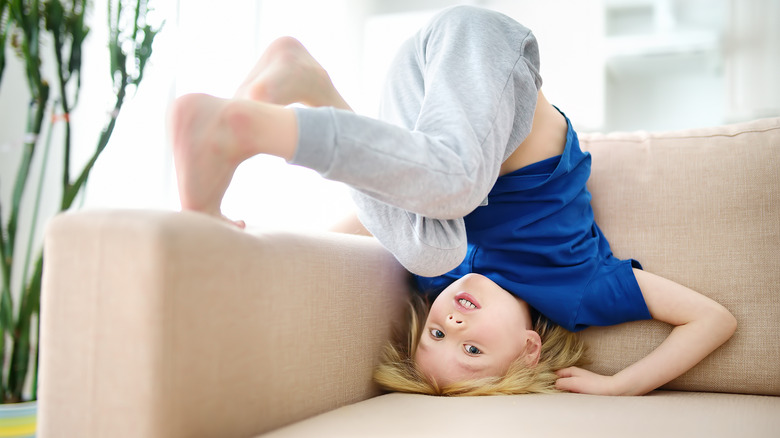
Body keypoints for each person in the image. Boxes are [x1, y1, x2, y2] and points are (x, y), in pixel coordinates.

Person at [170, 5, 736, 396]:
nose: (453, 325)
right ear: (528, 351)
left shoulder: (442, 272)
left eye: (437, 335)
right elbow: (713, 319)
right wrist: (621, 385)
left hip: (421, 94)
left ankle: (309, 88)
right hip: (489, 58)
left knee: (428, 244)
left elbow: (366, 220)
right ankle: (250, 130)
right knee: (449, 201)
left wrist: (263, 260)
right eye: (473, 353)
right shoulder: (582, 291)